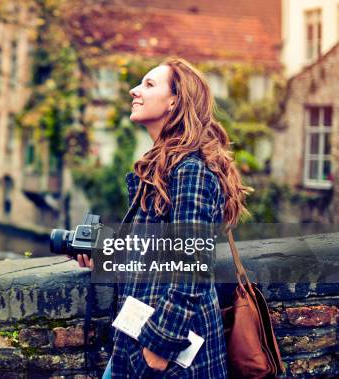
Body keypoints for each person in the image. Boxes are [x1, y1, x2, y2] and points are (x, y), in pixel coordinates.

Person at [77, 57, 250, 378]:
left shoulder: (191, 171)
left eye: (148, 84)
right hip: (136, 340)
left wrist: (161, 345)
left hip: (170, 350)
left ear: (175, 101)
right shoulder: (162, 168)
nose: (134, 90)